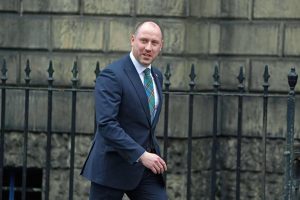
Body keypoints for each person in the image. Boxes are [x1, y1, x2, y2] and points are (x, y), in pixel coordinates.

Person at [81, 20, 168, 200]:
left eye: (154, 43)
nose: (148, 48)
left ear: (161, 46)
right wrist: (141, 155)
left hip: (143, 170)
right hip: (111, 167)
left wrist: (146, 155)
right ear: (133, 40)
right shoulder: (112, 75)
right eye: (144, 41)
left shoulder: (157, 76)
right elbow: (106, 124)